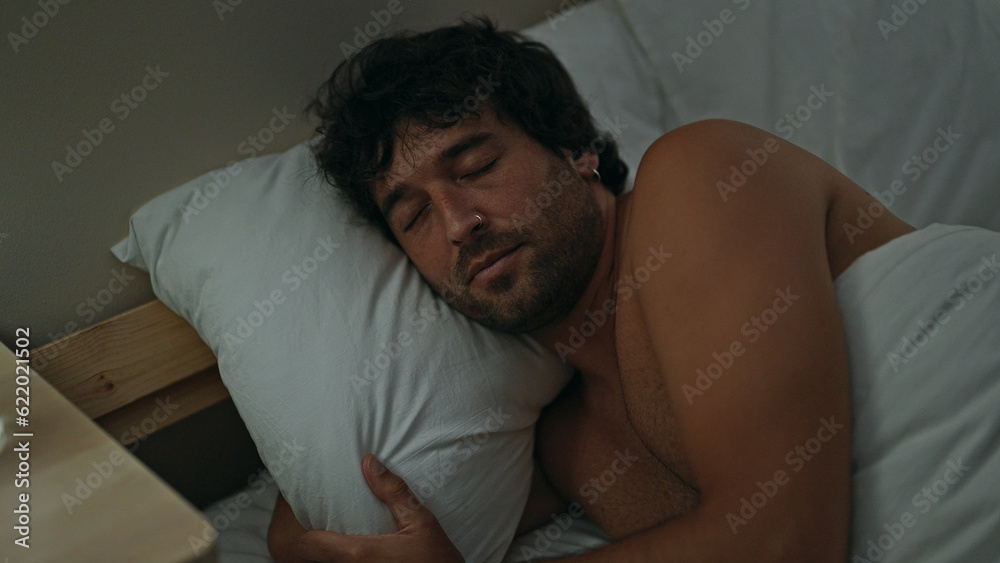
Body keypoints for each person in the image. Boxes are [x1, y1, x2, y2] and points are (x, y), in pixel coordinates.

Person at [266, 17, 921, 562]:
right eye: (414, 217)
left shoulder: (701, 179)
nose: (459, 225)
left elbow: (786, 542)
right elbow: (332, 520)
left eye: (478, 166)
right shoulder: (564, 445)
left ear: (576, 148)